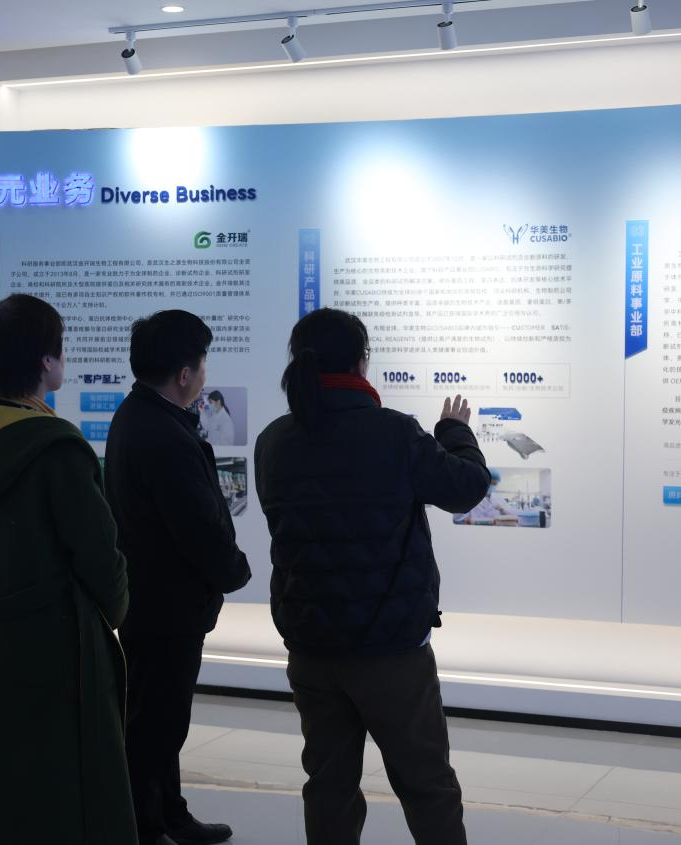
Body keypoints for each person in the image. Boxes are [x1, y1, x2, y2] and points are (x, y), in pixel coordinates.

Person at [254, 308, 490, 845]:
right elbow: (466, 487)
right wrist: (455, 432)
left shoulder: (274, 441)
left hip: (311, 647)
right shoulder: (395, 434)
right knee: (426, 783)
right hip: (391, 650)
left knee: (328, 784)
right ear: (361, 363)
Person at [0, 294, 135, 845]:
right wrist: (117, 608)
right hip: (57, 643)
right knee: (65, 784)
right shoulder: (58, 448)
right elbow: (99, 553)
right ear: (46, 362)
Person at [104, 310, 252, 845]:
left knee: (156, 717)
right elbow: (198, 525)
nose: (205, 375)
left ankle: (170, 815)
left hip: (150, 599)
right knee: (159, 723)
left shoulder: (138, 416)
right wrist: (234, 570)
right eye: (203, 364)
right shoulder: (163, 433)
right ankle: (145, 827)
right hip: (167, 605)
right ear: (185, 374)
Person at [453, 468, 518, 525]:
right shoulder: (471, 496)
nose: (491, 486)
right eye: (490, 483)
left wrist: (502, 510)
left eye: (494, 484)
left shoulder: (498, 498)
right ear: (482, 481)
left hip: (493, 531)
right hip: (474, 530)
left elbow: (514, 517)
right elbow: (457, 518)